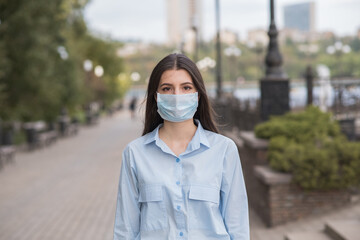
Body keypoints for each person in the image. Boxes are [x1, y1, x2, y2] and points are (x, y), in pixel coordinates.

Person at [113, 53, 249, 240]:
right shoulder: (134, 154)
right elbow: (125, 229)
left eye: (186, 87)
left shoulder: (224, 150)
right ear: (156, 96)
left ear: (198, 95)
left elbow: (237, 226)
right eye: (167, 88)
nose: (177, 96)